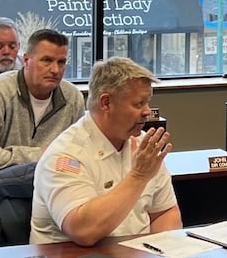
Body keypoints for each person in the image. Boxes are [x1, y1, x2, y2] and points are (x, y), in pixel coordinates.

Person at [30, 56, 181, 246]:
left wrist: (164, 250)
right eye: (138, 103)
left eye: (147, 102)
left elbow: (165, 212)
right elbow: (83, 231)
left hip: (137, 253)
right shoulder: (66, 155)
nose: (147, 111)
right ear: (106, 103)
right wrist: (138, 176)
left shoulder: (144, 146)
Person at [0, 28, 85, 169]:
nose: (55, 70)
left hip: (53, 179)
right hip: (2, 181)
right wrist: (40, 155)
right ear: (26, 60)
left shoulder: (73, 98)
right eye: (46, 60)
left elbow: (80, 157)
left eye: (61, 62)